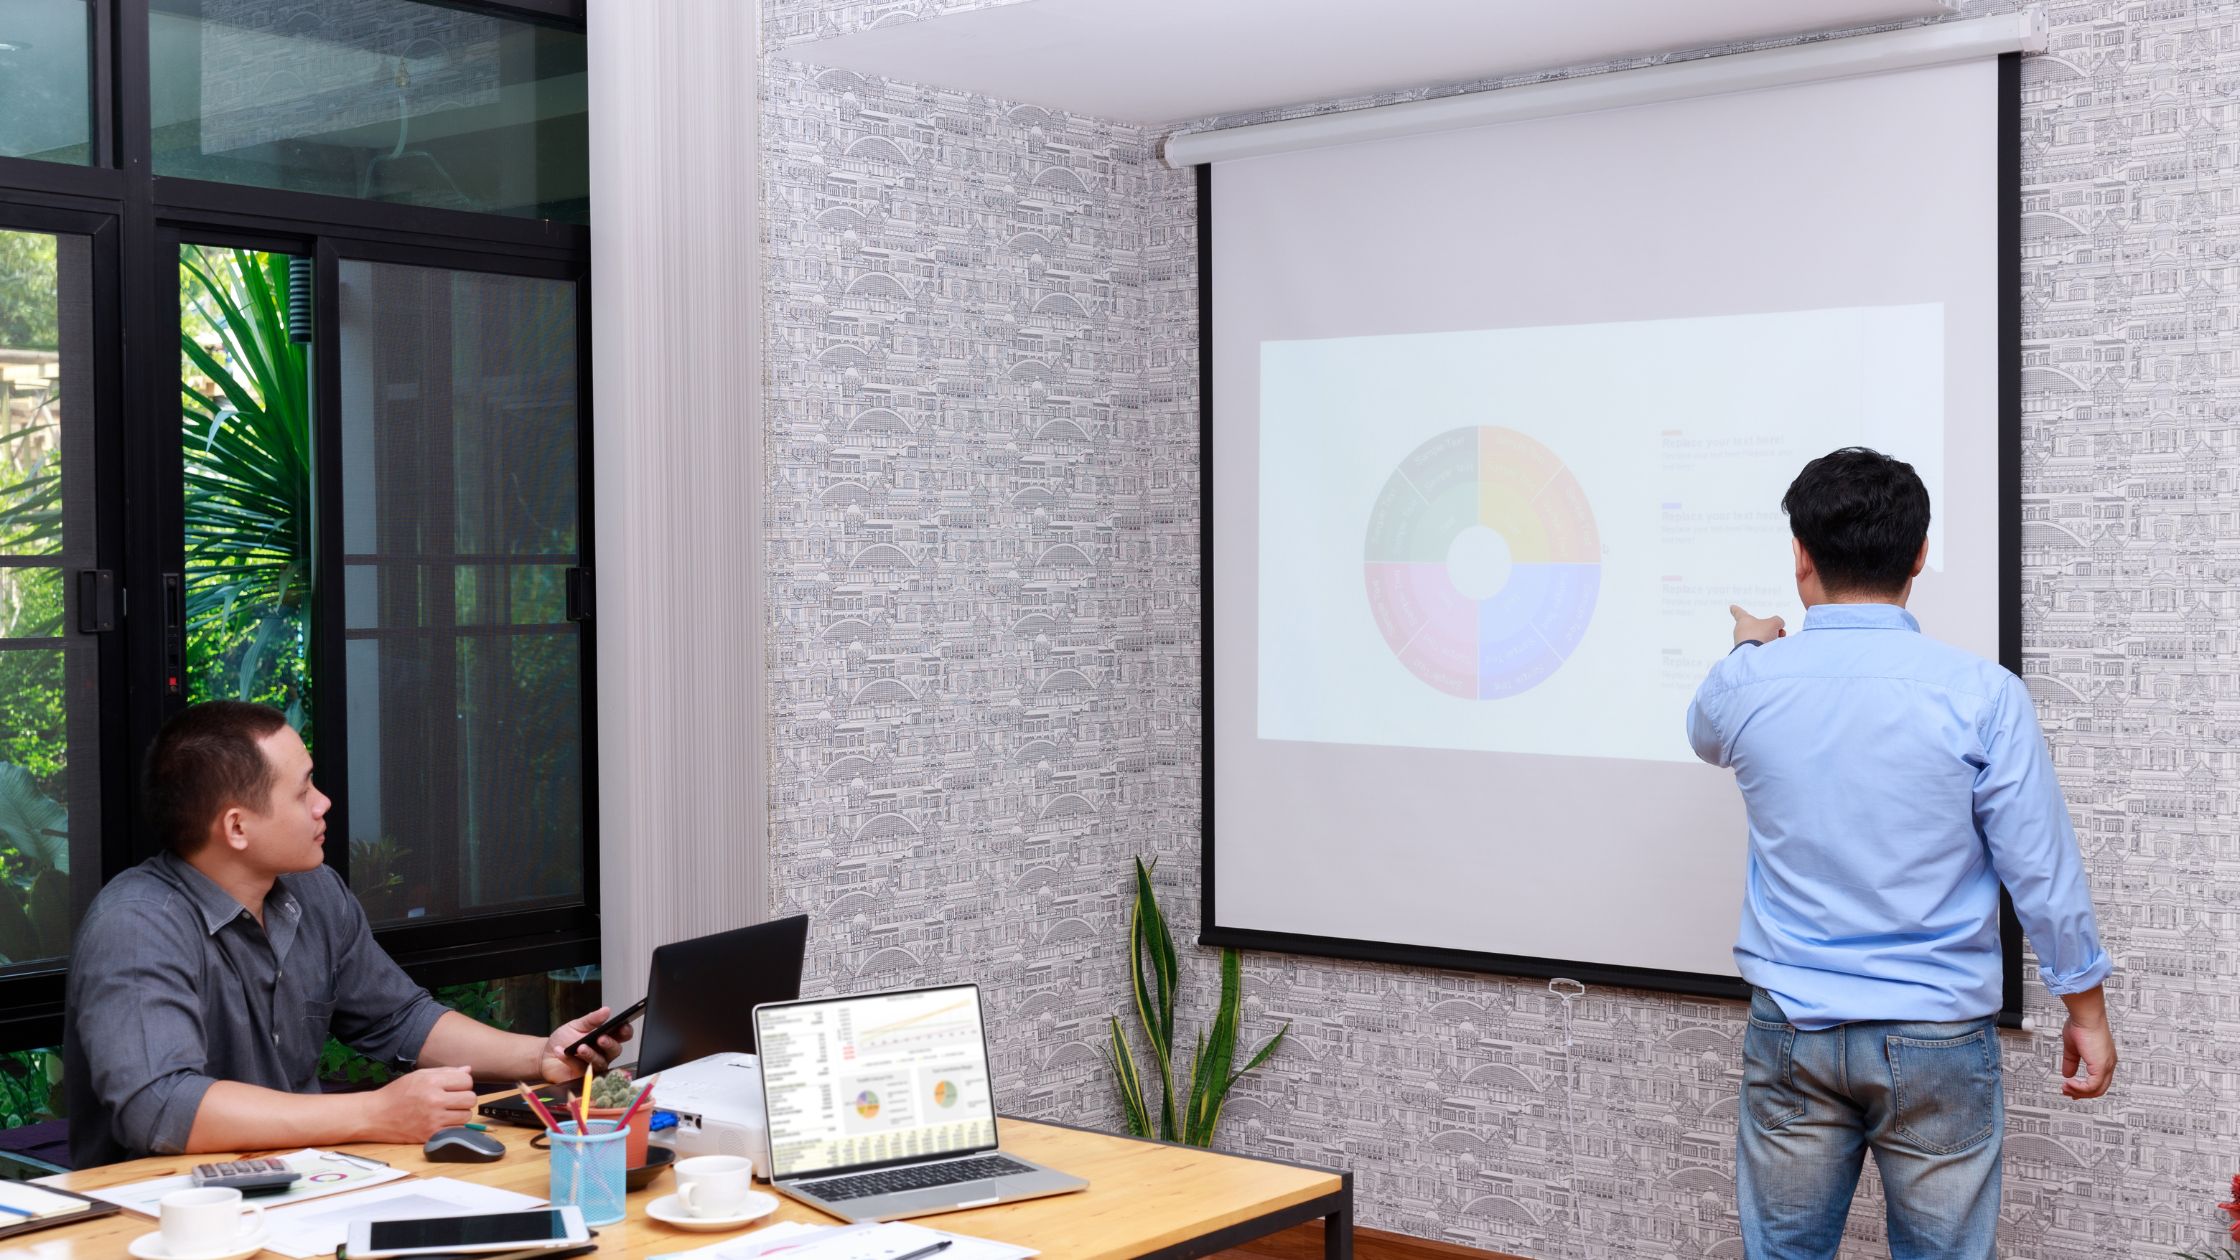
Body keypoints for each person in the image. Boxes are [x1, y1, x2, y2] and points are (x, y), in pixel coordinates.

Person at [1685, 448, 2116, 1260]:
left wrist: (1747, 646)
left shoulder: (1744, 685)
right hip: (1937, 1035)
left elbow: (1705, 733)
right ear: (1919, 555)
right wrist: (2085, 1012)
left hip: (1793, 1030)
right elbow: (2042, 872)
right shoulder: (1983, 695)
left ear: (1801, 556)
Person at [64, 701, 631, 1167]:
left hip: (301, 1183)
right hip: (165, 1216)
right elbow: (160, 1105)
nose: (323, 803)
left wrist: (543, 1054)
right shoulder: (136, 924)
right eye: (303, 791)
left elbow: (400, 1018)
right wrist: (374, 1113)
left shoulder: (313, 891)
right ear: (236, 826)